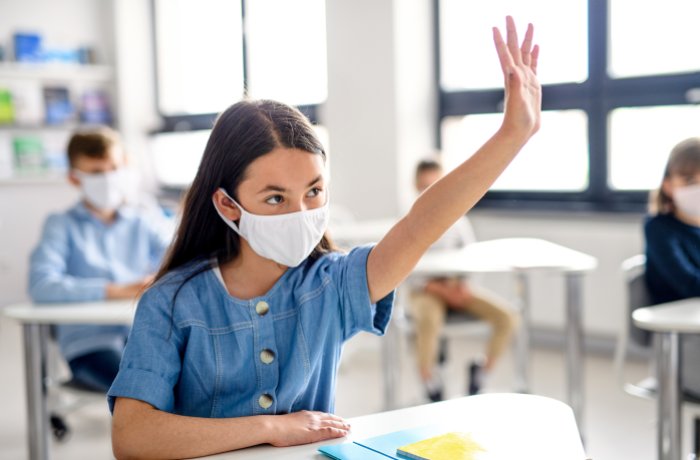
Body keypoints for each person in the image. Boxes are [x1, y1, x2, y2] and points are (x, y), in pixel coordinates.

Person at [108, 16, 541, 459]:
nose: (300, 213)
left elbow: (419, 225)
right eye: (275, 199)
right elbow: (132, 436)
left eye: (314, 192)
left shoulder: (331, 284)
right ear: (227, 206)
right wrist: (269, 428)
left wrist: (512, 136)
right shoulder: (171, 302)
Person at [28, 126, 172, 393]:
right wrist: (115, 291)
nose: (108, 178)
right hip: (90, 345)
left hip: (145, 337)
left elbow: (178, 258)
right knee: (146, 390)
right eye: (96, 172)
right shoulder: (61, 225)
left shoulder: (142, 218)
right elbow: (41, 285)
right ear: (74, 178)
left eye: (114, 168)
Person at [410, 159, 518, 401]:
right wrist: (439, 289)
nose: (432, 190)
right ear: (416, 186)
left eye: (437, 183)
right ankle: (429, 379)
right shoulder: (408, 221)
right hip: (426, 290)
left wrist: (462, 287)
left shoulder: (458, 219)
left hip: (456, 287)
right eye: (426, 185)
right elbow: (405, 270)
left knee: (507, 318)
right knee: (429, 319)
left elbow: (470, 256)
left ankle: (482, 372)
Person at [644, 137, 700, 399]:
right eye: (689, 181)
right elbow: (689, 284)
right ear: (668, 185)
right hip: (681, 339)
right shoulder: (659, 229)